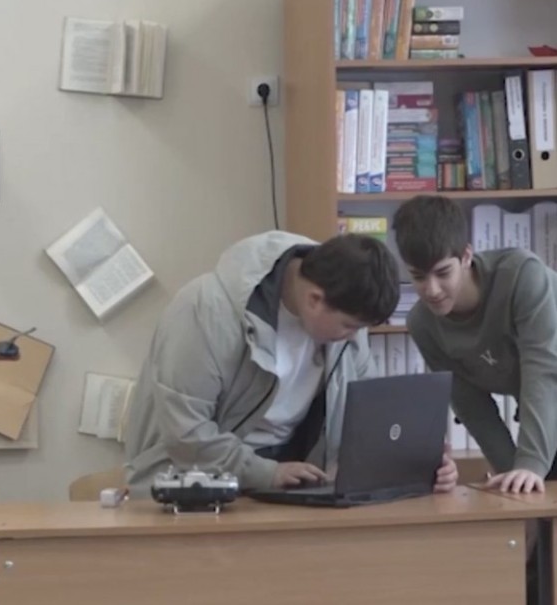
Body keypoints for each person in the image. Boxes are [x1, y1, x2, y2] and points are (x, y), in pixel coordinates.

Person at [122, 230, 459, 496]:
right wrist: (266, 474)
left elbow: (369, 421)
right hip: (193, 485)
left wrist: (417, 462)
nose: (353, 337)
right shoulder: (205, 311)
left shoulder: (344, 312)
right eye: (349, 326)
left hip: (290, 483)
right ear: (314, 299)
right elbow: (186, 434)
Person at [392, 195, 557, 494]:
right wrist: (513, 475)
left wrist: (531, 464)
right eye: (418, 276)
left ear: (466, 256)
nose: (432, 290)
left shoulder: (522, 276)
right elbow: (472, 408)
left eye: (443, 273)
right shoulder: (422, 324)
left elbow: (543, 374)